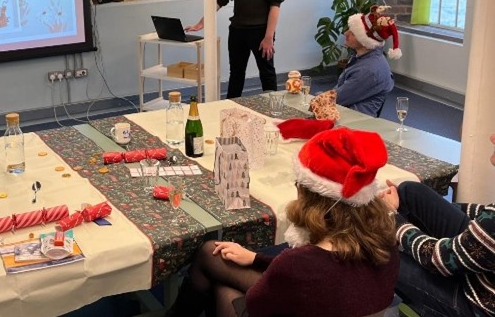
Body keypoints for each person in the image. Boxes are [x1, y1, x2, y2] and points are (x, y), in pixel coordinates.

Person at [166, 127, 399, 317]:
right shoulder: (387, 244)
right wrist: (256, 258)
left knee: (221, 283)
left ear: (310, 196)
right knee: (212, 254)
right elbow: (315, 276)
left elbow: (258, 302)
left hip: (286, 304)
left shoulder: (299, 264)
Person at [378, 133, 495, 317]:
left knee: (379, 253)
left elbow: (442, 259)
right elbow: (486, 215)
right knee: (410, 192)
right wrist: (431, 202)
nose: (492, 137)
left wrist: (393, 217)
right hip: (482, 274)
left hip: (477, 305)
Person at [335, 5, 401, 116]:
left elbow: (336, 99)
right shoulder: (362, 58)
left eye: (353, 33)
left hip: (351, 120)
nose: (345, 33)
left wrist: (313, 98)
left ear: (366, 42)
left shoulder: (367, 69)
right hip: (346, 113)